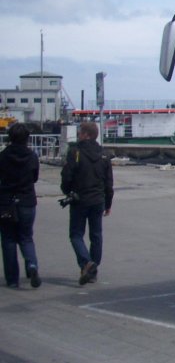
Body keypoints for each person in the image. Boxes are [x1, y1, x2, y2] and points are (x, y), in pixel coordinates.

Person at [61, 121, 114, 285]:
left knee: (76, 234)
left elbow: (67, 176)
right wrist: (108, 203)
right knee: (96, 236)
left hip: (80, 199)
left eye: (80, 132)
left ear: (86, 134)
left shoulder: (75, 152)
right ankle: (93, 271)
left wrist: (67, 191)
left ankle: (86, 263)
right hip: (98, 199)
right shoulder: (104, 154)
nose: (78, 134)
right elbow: (108, 183)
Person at [0, 123, 40, 289]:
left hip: (6, 201)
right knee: (26, 237)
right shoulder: (32, 156)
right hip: (27, 200)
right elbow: (34, 177)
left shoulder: (3, 156)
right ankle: (32, 265)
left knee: (8, 239)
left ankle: (12, 279)